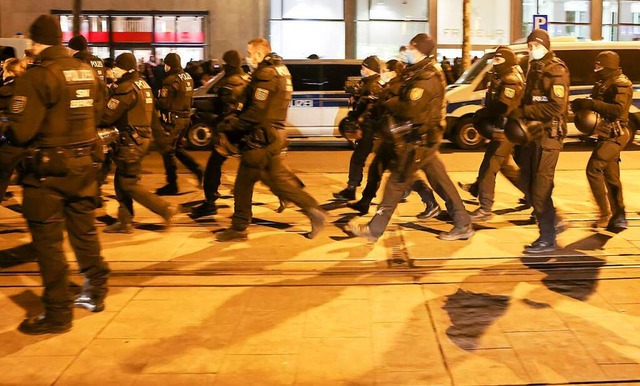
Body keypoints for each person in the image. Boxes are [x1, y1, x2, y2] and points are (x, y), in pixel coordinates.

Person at [4, 15, 110, 334]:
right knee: (84, 233)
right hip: (85, 166)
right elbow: (101, 113)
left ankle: (58, 312)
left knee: (49, 243)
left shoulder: (37, 75)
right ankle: (96, 290)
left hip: (48, 173)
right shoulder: (87, 70)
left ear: (35, 43)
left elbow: (22, 132)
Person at [349, 33, 474, 242]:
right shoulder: (416, 72)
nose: (405, 51)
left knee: (396, 183)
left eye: (409, 48)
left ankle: (374, 230)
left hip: (420, 139)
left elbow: (409, 109)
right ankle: (463, 223)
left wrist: (389, 102)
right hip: (424, 139)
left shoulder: (428, 77)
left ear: (419, 50)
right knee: (441, 182)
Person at [215, 38, 326, 241]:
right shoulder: (279, 70)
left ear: (258, 54)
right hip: (273, 135)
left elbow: (256, 111)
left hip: (260, 138)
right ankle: (314, 210)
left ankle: (239, 228)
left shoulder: (266, 74)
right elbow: (255, 95)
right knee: (277, 182)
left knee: (243, 184)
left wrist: (232, 128)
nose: (248, 57)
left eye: (249, 53)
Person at [347, 59, 441, 219]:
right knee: (375, 170)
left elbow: (399, 110)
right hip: (387, 138)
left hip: (396, 139)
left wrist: (379, 100)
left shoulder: (398, 87)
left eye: (385, 71)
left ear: (393, 72)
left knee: (405, 175)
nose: (382, 74)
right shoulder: (389, 86)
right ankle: (365, 201)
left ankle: (430, 202)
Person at [100, 52, 177, 233]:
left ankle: (164, 209)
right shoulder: (143, 85)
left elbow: (107, 116)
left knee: (129, 183)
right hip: (141, 140)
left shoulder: (126, 88)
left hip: (130, 142)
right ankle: (125, 221)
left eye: (116, 68)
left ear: (123, 69)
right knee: (121, 180)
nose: (113, 71)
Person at [508, 29, 570, 253]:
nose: (530, 48)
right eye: (529, 44)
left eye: (534, 44)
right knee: (528, 182)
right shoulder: (534, 67)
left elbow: (556, 106)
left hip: (549, 137)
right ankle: (553, 222)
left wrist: (525, 110)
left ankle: (547, 237)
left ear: (545, 45)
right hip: (534, 135)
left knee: (540, 188)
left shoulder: (556, 69)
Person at [457, 46, 526, 221]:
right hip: (500, 129)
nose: (495, 63)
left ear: (508, 61)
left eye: (499, 60)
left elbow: (503, 106)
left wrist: (483, 113)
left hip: (505, 131)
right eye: (494, 59)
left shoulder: (510, 79)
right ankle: (534, 196)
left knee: (489, 167)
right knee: (507, 167)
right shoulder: (500, 76)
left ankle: (485, 208)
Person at [571, 51, 632, 230]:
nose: (596, 68)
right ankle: (619, 216)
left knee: (594, 169)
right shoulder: (603, 82)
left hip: (616, 133)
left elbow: (617, 110)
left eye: (600, 66)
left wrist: (591, 104)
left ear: (609, 66)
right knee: (612, 177)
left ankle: (605, 214)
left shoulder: (621, 84)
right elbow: (597, 103)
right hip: (605, 133)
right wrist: (582, 104)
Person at [191, 49, 250, 218]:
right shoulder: (246, 78)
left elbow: (226, 112)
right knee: (262, 168)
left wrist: (206, 117)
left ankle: (210, 202)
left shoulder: (229, 83)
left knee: (213, 166)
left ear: (227, 64)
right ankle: (287, 192)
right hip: (245, 128)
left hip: (232, 132)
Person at [333, 56, 385, 201]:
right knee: (366, 161)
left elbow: (370, 108)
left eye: (363, 67)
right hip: (368, 129)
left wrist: (358, 117)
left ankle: (353, 190)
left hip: (370, 130)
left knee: (364, 161)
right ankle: (353, 189)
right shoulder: (368, 82)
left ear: (370, 69)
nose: (361, 70)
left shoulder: (374, 85)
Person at [153, 52, 204, 196]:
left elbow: (164, 102)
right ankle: (199, 171)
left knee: (167, 150)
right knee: (177, 149)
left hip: (174, 120)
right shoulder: (187, 77)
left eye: (166, 65)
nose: (165, 67)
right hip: (185, 118)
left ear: (169, 65)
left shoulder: (170, 80)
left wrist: (154, 100)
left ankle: (172, 184)